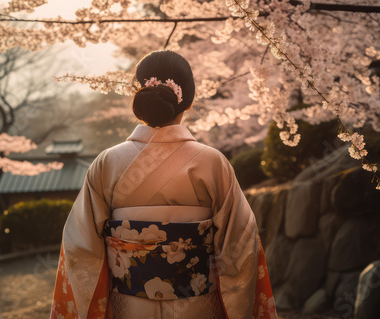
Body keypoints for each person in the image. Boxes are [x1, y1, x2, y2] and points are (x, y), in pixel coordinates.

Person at [50, 50, 276, 319]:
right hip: (199, 307)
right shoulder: (212, 163)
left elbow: (81, 246)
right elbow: (241, 245)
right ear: (188, 101)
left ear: (139, 96)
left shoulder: (107, 163)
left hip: (129, 308)